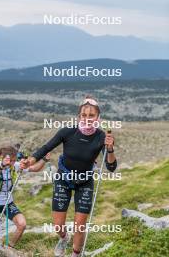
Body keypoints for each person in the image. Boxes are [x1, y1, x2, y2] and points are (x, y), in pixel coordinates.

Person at [22, 96, 117, 257]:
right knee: (58, 226)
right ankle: (64, 238)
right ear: (79, 117)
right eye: (84, 115)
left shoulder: (102, 137)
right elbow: (46, 147)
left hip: (85, 181)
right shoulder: (67, 131)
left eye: (91, 115)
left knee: (80, 225)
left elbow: (111, 167)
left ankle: (76, 254)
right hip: (63, 179)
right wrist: (30, 161)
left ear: (98, 117)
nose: (87, 119)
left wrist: (110, 149)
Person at [0, 146, 50, 248]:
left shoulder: (14, 166)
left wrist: (44, 159)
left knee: (22, 224)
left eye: (14, 160)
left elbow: (34, 168)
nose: (11, 163)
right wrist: (1, 165)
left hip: (7, 203)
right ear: (1, 158)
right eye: (10, 160)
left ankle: (9, 248)